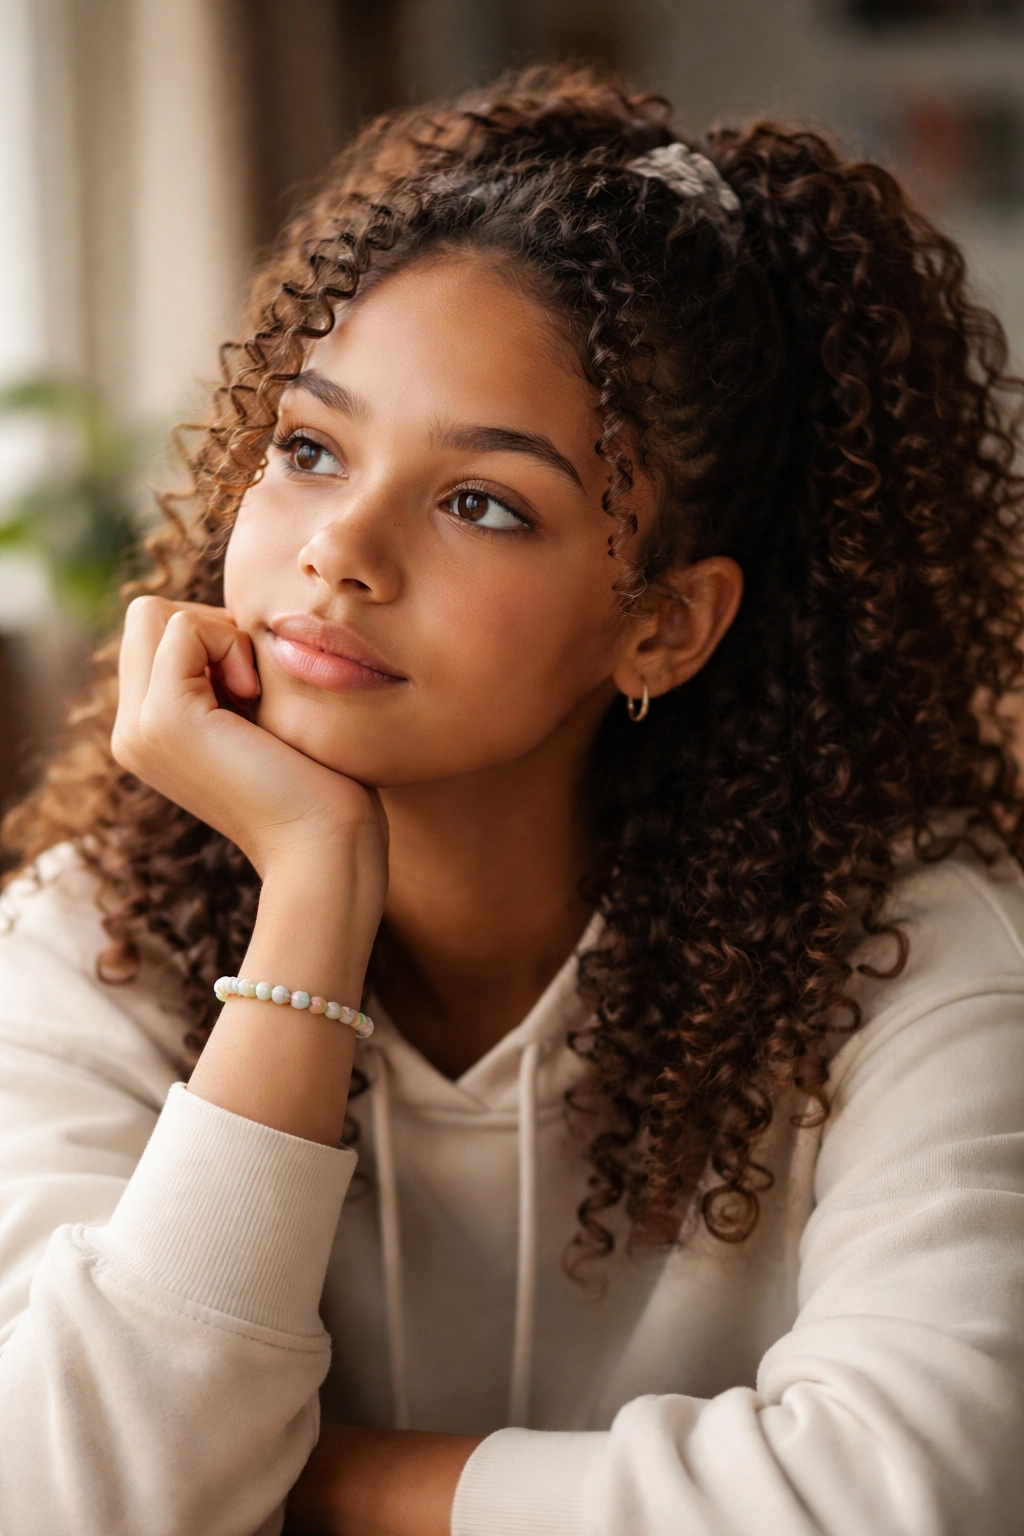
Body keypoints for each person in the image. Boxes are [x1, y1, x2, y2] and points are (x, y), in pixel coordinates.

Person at [1, 60, 1023, 1536]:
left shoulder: (911, 957)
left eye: (482, 500)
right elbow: (66, 1508)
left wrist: (300, 1478)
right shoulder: (92, 934)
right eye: (308, 448)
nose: (337, 548)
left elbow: (910, 1499)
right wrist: (309, 896)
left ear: (664, 624)